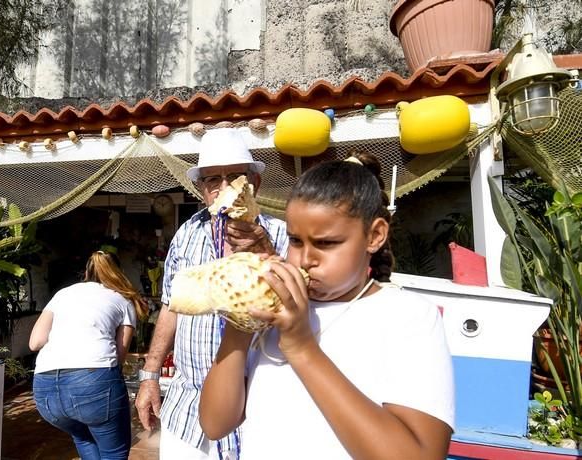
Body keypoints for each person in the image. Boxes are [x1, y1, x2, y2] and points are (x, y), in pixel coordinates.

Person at [199, 154, 455, 459]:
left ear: (374, 236)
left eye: (327, 243)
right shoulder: (279, 308)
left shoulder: (407, 316)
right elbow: (215, 425)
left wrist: (302, 347)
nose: (306, 259)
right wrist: (239, 326)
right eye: (295, 241)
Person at [134, 128, 289, 460]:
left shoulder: (280, 234)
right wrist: (149, 375)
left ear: (254, 184)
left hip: (258, 410)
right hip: (188, 410)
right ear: (201, 189)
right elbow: (171, 306)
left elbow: (292, 304)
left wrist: (262, 248)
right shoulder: (187, 234)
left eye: (234, 177)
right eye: (212, 180)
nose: (223, 189)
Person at [29, 250, 147, 460]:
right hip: (93, 381)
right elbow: (119, 356)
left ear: (86, 272)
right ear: (118, 272)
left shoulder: (63, 294)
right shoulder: (123, 299)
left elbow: (35, 342)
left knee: (84, 438)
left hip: (45, 390)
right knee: (114, 453)